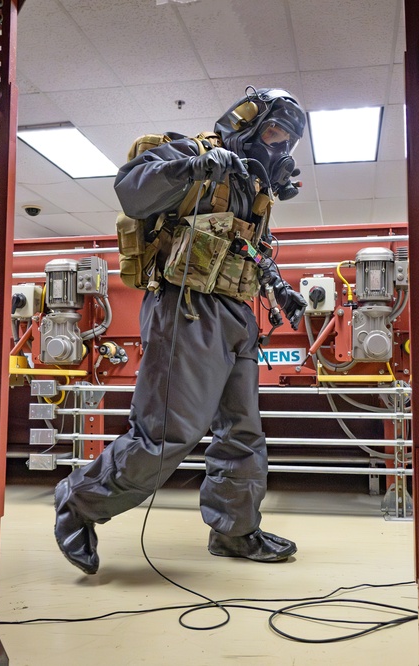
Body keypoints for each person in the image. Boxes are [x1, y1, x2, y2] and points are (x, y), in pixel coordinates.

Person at [53, 88, 308, 574]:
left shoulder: (251, 188)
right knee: (167, 433)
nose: (279, 147)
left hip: (237, 315)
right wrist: (195, 167)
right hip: (185, 306)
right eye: (275, 132)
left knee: (243, 432)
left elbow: (247, 248)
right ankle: (80, 499)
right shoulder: (194, 151)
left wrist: (279, 286)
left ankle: (235, 530)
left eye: (288, 141)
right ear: (248, 122)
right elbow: (131, 188)